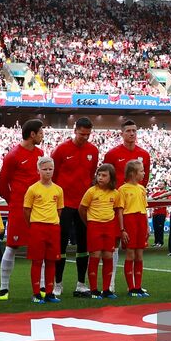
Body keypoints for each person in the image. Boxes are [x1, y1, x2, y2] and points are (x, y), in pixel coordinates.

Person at [51, 117, 100, 298]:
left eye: (88, 134)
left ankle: (81, 283)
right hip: (64, 205)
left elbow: (91, 174)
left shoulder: (93, 151)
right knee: (60, 244)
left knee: (84, 244)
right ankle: (58, 284)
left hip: (84, 205)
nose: (84, 138)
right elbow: (53, 176)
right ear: (75, 130)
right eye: (82, 134)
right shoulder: (61, 149)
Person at [0, 119, 44, 300]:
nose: (42, 136)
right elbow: (3, 182)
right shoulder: (13, 155)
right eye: (40, 132)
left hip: (38, 209)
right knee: (12, 246)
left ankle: (40, 287)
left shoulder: (40, 153)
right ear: (32, 134)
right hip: (18, 208)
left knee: (39, 247)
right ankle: (4, 288)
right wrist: (14, 201)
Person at [104, 120, 151, 293]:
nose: (132, 133)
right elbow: (106, 176)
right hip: (117, 207)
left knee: (136, 251)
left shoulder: (144, 154)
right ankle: (111, 283)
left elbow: (144, 180)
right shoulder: (112, 154)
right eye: (129, 131)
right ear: (122, 133)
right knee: (114, 243)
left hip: (135, 209)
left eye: (134, 130)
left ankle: (135, 286)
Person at [23, 156, 64, 302]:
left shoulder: (58, 190)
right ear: (38, 170)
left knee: (52, 261)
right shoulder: (32, 189)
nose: (48, 172)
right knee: (37, 261)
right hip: (37, 227)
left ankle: (49, 292)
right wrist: (34, 224)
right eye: (45, 169)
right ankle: (36, 293)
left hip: (53, 227)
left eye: (50, 169)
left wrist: (52, 221)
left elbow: (59, 210)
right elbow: (26, 210)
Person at [79, 164, 121, 299]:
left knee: (108, 256)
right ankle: (94, 290)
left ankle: (106, 289)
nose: (100, 178)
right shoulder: (91, 191)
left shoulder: (115, 193)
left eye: (104, 175)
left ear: (111, 178)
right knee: (95, 255)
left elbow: (116, 210)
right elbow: (82, 209)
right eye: (99, 175)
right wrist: (89, 223)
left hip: (109, 227)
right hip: (94, 226)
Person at [118, 159, 150, 297]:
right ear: (132, 173)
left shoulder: (142, 189)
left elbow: (144, 208)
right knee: (130, 253)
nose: (144, 173)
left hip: (141, 221)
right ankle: (131, 288)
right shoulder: (122, 189)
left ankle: (138, 286)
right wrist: (122, 229)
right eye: (141, 171)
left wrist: (147, 226)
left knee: (139, 254)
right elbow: (120, 211)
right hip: (130, 220)